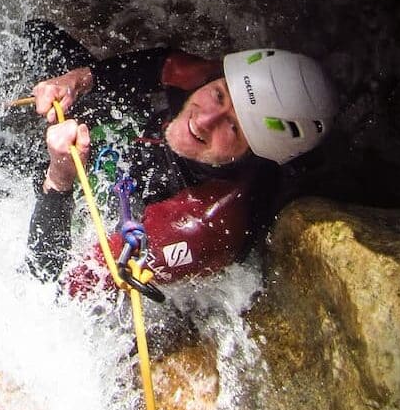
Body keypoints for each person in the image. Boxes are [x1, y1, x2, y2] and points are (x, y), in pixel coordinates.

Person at [19, 23, 338, 296]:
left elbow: (56, 284)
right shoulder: (210, 78)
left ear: (251, 156)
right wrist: (75, 81)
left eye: (233, 128)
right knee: (37, 33)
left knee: (17, 164)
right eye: (219, 96)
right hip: (140, 138)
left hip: (148, 197)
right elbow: (159, 64)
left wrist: (59, 178)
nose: (204, 119)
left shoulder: (203, 223)